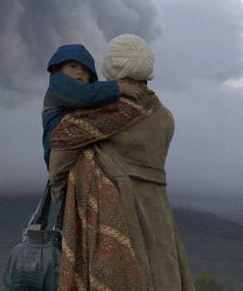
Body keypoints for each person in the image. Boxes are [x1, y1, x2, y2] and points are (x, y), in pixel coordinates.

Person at [49, 34, 195, 291]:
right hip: (157, 209)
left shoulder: (104, 112)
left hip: (115, 210)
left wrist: (59, 188)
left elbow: (62, 142)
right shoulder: (164, 116)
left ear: (112, 66)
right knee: (160, 272)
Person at [42, 44, 142, 199]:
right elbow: (83, 96)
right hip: (60, 151)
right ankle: (58, 189)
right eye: (73, 66)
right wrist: (118, 87)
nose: (80, 72)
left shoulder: (93, 96)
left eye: (85, 69)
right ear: (58, 70)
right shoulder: (58, 84)